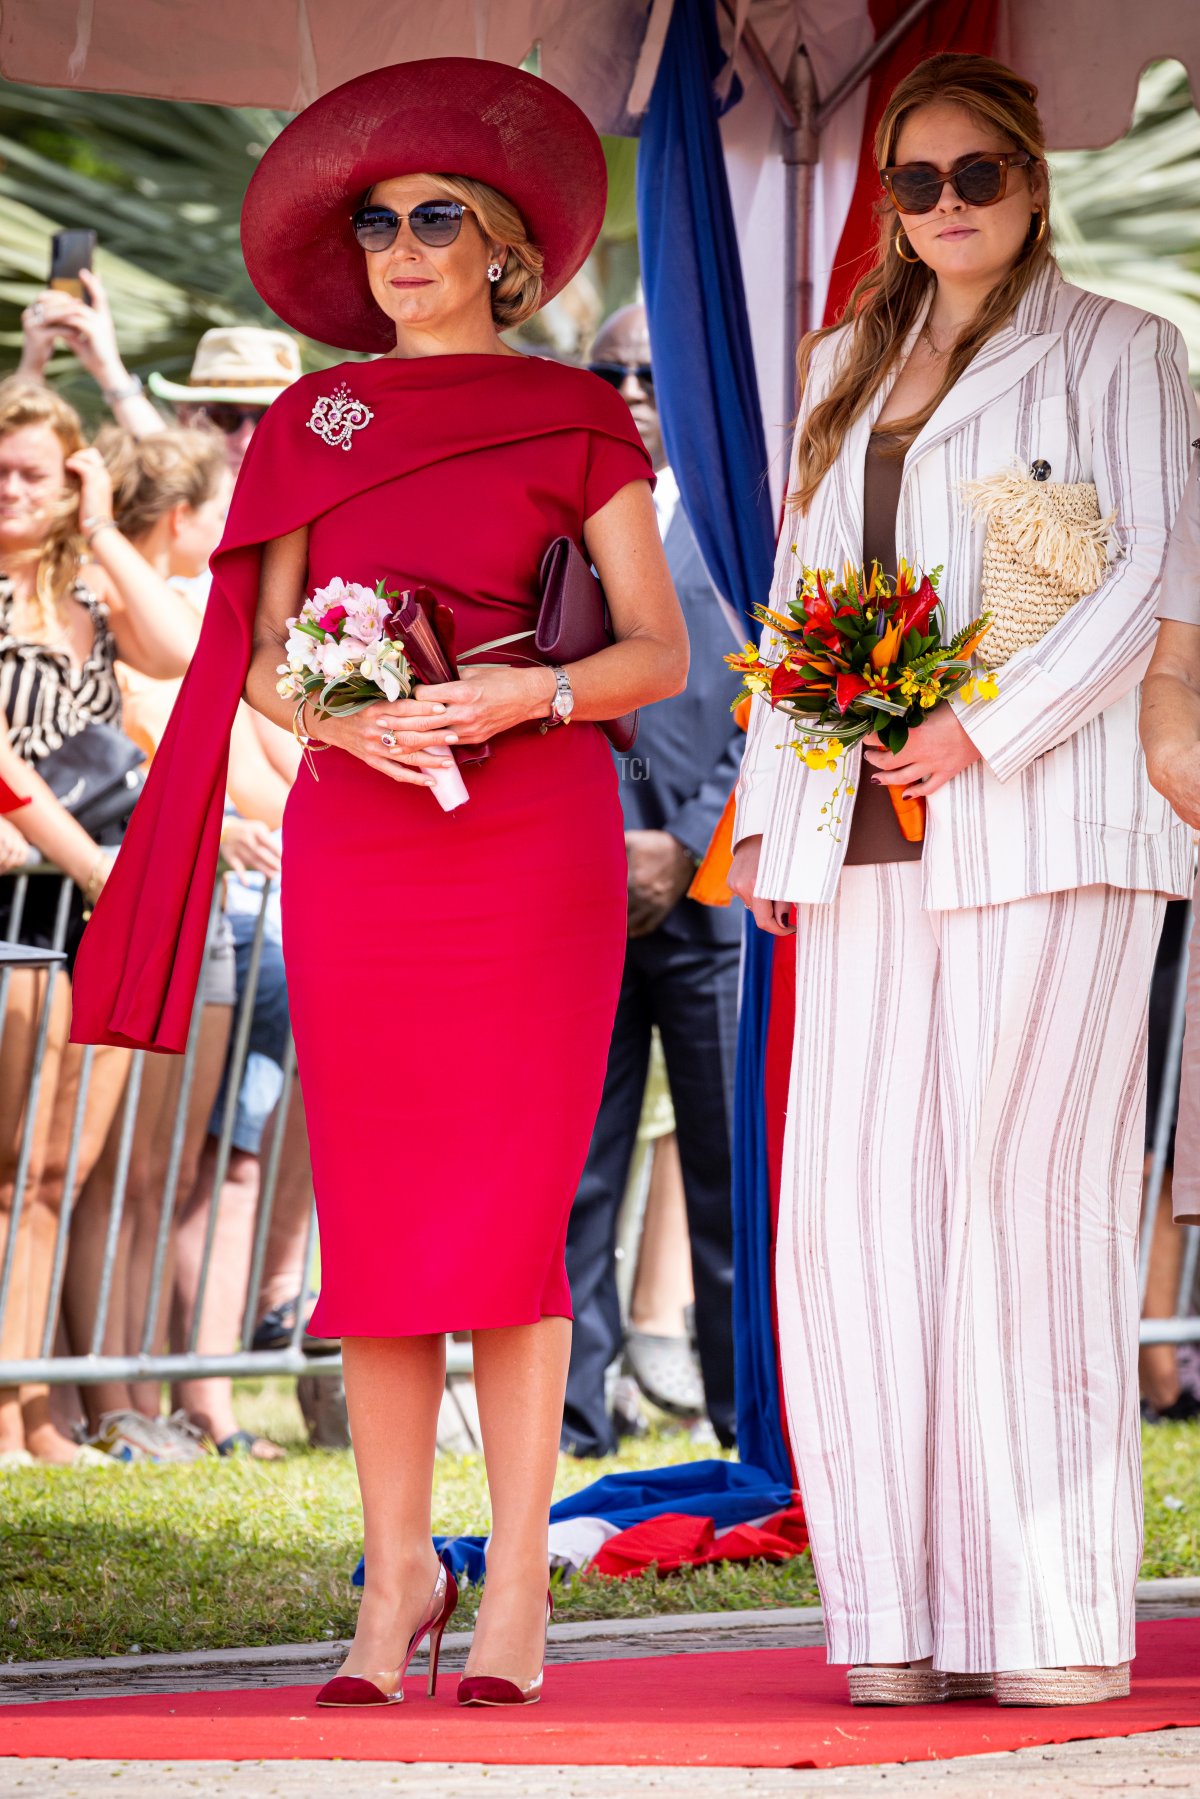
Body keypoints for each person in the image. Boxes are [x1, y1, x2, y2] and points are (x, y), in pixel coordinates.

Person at [71, 58, 687, 1708]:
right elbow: (258, 655)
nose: (402, 249)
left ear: (502, 246)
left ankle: (516, 1590)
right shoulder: (303, 419)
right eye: (378, 226)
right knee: (390, 1208)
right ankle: (399, 1566)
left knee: (508, 1212)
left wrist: (520, 695)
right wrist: (341, 712)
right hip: (366, 831)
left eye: (434, 220)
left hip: (532, 824)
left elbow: (657, 648)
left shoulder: (578, 413)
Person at [728, 54, 1195, 1707]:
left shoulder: (1124, 349)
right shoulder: (845, 365)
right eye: (912, 183)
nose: (942, 208)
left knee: (1029, 1205)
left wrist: (980, 731)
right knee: (853, 1221)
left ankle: (1053, 1613)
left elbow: (1150, 561)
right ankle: (895, 1622)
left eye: (973, 176)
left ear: (1032, 178)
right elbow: (804, 603)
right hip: (857, 848)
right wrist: (773, 822)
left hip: (1054, 826)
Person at [0, 378, 195, 1464]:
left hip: (89, 905)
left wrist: (101, 521)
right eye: (2, 470)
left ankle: (29, 1404)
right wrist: (97, 867)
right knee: (2, 1165)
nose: (14, 490)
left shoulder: (87, 585)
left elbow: (171, 648)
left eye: (38, 469)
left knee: (52, 1172)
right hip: (35, 902)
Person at [562, 302, 742, 1457]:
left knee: (731, 1175)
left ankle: (745, 1417)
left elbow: (781, 697)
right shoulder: (561, 527)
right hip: (579, 890)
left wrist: (686, 840)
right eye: (607, 368)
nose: (629, 388)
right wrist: (606, 844)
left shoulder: (748, 525)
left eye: (648, 368)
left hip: (714, 894)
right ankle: (576, 1419)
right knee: (579, 1175)